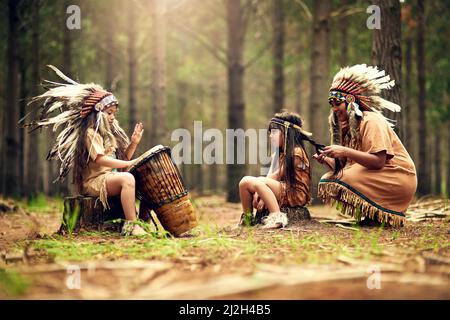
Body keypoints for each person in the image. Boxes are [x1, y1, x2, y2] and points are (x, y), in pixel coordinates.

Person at [22, 65, 148, 236]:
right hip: (93, 182)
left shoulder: (107, 135)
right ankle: (132, 225)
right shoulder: (90, 133)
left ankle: (142, 221)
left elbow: (118, 161)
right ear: (97, 112)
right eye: (109, 113)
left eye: (114, 114)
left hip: (107, 177)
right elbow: (101, 160)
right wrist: (128, 163)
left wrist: (133, 144)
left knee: (139, 177)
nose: (112, 117)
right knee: (127, 179)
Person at [315, 64, 417, 227]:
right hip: (377, 175)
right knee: (330, 179)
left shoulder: (371, 120)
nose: (334, 109)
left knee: (341, 178)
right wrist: (327, 160)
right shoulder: (348, 127)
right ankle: (375, 217)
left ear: (351, 101)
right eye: (331, 104)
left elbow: (378, 161)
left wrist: (344, 150)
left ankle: (382, 217)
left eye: (337, 103)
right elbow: (349, 166)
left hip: (398, 177)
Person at [238, 111, 323, 229]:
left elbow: (277, 175)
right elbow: (269, 177)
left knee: (259, 181)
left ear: (287, 133)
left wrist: (260, 190)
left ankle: (277, 218)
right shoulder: (277, 154)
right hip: (281, 188)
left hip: (295, 194)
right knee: (245, 181)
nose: (270, 136)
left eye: (274, 132)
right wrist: (261, 192)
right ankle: (247, 219)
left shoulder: (297, 152)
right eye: (270, 133)